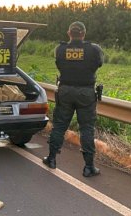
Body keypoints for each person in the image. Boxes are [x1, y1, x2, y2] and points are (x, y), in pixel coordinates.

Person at [43, 21, 104, 177]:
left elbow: (58, 64)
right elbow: (99, 64)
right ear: (84, 34)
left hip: (65, 91)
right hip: (86, 93)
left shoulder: (60, 49)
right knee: (86, 129)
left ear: (69, 33)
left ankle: (51, 159)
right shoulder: (94, 49)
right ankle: (89, 167)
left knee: (59, 126)